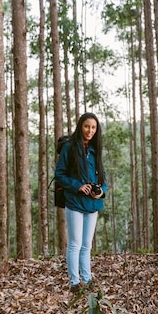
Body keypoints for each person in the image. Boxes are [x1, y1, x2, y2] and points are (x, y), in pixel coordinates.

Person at [55, 112, 107, 294]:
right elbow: (59, 175)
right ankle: (75, 283)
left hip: (92, 206)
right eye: (87, 126)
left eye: (93, 127)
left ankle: (87, 279)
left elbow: (104, 180)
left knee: (87, 246)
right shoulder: (69, 148)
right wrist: (78, 186)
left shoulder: (95, 150)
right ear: (80, 126)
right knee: (75, 244)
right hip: (75, 203)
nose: (90, 131)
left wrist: (101, 192)